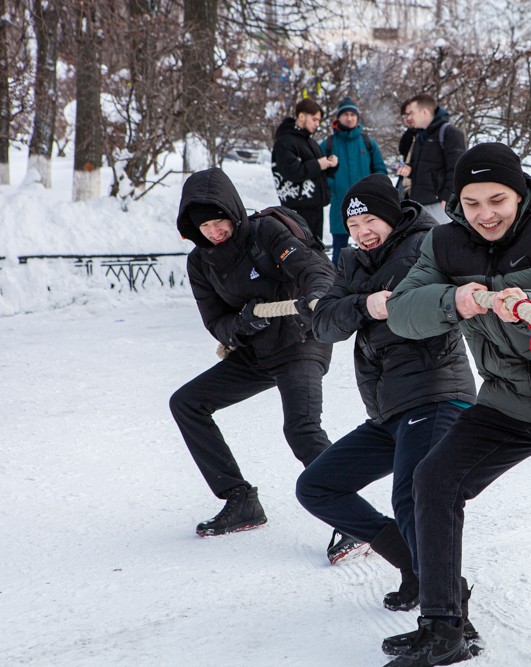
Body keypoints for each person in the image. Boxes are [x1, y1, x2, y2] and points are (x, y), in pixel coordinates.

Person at [383, 143, 531, 665]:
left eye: (497, 198)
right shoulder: (444, 243)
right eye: (472, 203)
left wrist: (529, 303)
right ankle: (444, 624)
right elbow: (403, 312)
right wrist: (452, 300)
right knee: (434, 480)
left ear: (519, 192)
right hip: (505, 400)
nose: (486, 214)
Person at [295, 174, 477, 613]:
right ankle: (417, 567)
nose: (362, 234)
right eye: (354, 227)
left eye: (371, 221)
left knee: (413, 495)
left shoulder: (427, 245)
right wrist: (364, 304)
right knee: (317, 486)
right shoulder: (353, 262)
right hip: (387, 410)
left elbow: (444, 299)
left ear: (393, 216)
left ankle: (448, 610)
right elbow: (324, 324)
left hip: (435, 393)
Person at [169, 167, 346, 546]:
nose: (215, 232)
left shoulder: (267, 232)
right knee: (187, 404)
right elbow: (217, 321)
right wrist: (243, 325)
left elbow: (316, 269)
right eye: (205, 228)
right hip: (257, 349)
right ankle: (240, 499)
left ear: (233, 211)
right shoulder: (200, 262)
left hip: (301, 341)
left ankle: (351, 517)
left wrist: (316, 297)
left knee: (301, 429)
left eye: (219, 221)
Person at [318, 96, 388, 262]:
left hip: (367, 207)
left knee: (372, 248)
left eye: (353, 114)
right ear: (338, 117)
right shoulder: (327, 144)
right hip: (339, 205)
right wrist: (333, 186)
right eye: (345, 114)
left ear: (357, 117)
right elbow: (320, 175)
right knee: (339, 252)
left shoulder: (368, 143)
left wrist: (373, 192)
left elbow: (380, 171)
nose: (349, 118)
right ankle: (337, 285)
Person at [271, 98, 336, 240]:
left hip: (315, 208)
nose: (317, 124)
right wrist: (318, 164)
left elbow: (319, 172)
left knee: (315, 253)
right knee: (302, 254)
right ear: (301, 116)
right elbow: (291, 171)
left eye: (318, 121)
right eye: (314, 119)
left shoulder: (310, 142)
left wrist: (331, 164)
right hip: (297, 210)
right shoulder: (285, 142)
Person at [395, 94, 466, 224]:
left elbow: (458, 168)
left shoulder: (450, 133)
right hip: (420, 203)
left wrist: (448, 197)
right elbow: (426, 168)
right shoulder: (421, 136)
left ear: (424, 112)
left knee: (444, 242)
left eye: (412, 113)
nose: (409, 117)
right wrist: (409, 170)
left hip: (440, 204)